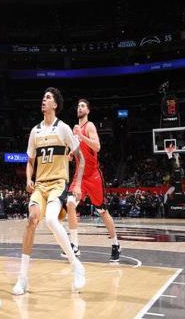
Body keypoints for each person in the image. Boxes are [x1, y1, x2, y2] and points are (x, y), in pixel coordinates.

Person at [13, 88, 86, 295]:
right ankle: (22, 278)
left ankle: (76, 265)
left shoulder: (63, 128)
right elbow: (30, 161)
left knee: (52, 220)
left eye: (48, 98)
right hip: (40, 186)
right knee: (31, 220)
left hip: (58, 184)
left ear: (55, 104)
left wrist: (78, 184)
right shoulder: (35, 131)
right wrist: (28, 178)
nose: (43, 100)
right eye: (43, 97)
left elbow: (81, 159)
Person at [64, 99, 120, 262]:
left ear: (88, 110)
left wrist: (81, 136)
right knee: (70, 203)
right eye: (78, 106)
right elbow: (78, 149)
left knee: (103, 212)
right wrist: (71, 154)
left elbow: (97, 147)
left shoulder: (89, 126)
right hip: (79, 176)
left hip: (94, 176)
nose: (79, 108)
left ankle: (115, 244)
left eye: (82, 106)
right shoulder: (75, 129)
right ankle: (74, 246)